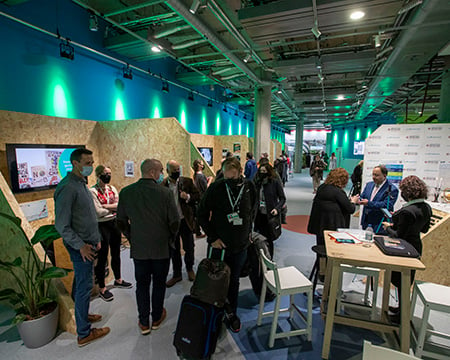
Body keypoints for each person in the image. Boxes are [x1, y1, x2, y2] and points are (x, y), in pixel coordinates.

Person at [117, 159, 180, 335]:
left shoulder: (126, 192)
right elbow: (174, 222)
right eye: (160, 171)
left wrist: (132, 237)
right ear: (152, 172)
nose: (161, 175)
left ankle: (144, 321)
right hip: (161, 247)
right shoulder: (165, 193)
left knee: (142, 285)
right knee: (159, 284)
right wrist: (170, 239)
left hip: (139, 249)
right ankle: (157, 317)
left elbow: (121, 221)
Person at [54, 148, 110, 347]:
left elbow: (86, 216)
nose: (91, 166)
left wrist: (96, 238)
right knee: (85, 286)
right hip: (81, 248)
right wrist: (82, 246)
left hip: (90, 242)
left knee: (80, 283)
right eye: (87, 163)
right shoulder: (68, 187)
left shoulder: (81, 184)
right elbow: (62, 225)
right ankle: (84, 333)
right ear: (75, 164)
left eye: (92, 162)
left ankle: (83, 317)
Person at [197, 157, 256, 333]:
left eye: (232, 178)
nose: (228, 181)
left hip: (240, 245)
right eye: (225, 177)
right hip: (219, 245)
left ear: (240, 173)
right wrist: (212, 237)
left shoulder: (249, 187)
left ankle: (231, 314)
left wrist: (247, 233)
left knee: (234, 281)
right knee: (214, 280)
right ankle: (213, 313)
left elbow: (251, 211)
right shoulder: (217, 187)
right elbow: (201, 213)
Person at [382, 175, 432, 319]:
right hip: (416, 247)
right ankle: (401, 309)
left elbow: (398, 235)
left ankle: (401, 315)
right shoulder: (426, 208)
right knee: (406, 281)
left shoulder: (407, 211)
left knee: (399, 280)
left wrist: (387, 228)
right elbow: (424, 230)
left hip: (402, 249)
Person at [89, 165, 132, 302]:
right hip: (101, 225)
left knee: (116, 252)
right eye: (105, 173)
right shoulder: (92, 192)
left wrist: (106, 207)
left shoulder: (112, 189)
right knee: (102, 257)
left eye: (109, 173)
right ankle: (102, 288)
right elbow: (98, 212)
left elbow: (120, 206)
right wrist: (111, 208)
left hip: (114, 223)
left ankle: (118, 279)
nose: (108, 175)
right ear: (98, 175)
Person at [162, 160, 201, 287]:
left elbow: (198, 196)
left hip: (186, 220)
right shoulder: (162, 186)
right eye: (174, 170)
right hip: (171, 222)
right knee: (174, 249)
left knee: (189, 246)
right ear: (167, 171)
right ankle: (177, 274)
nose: (177, 172)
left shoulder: (187, 181)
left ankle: (190, 269)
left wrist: (188, 197)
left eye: (178, 169)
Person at [307, 168, 359, 246]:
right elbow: (350, 209)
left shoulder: (322, 188)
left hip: (320, 225)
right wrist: (353, 201)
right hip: (332, 227)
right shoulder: (338, 192)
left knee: (320, 247)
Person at [253, 162, 286, 258]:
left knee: (269, 239)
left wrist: (277, 209)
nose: (262, 173)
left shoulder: (274, 182)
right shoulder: (257, 183)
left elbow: (282, 198)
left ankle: (269, 258)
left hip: (270, 216)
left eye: (264, 171)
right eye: (261, 171)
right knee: (258, 238)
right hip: (258, 215)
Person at [358, 164, 399, 234]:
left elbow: (387, 205)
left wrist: (368, 203)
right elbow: (363, 196)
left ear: (384, 176)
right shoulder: (369, 185)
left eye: (377, 175)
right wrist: (357, 199)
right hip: (366, 221)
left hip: (379, 224)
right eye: (373, 174)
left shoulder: (392, 189)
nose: (374, 177)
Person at [192, 159, 211, 238]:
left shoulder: (196, 175)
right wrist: (210, 181)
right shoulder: (201, 176)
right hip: (203, 198)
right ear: (199, 165)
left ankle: (198, 232)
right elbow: (206, 188)